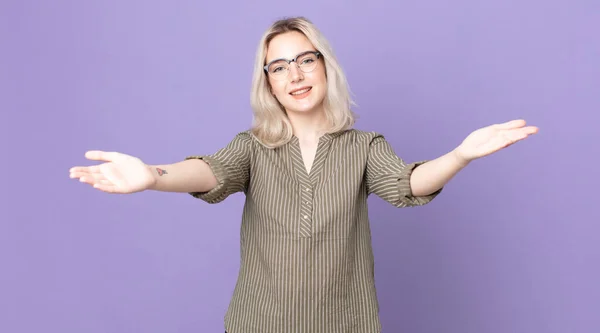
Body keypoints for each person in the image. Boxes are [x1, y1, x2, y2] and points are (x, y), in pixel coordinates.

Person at [69, 16, 538, 333]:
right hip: (260, 323)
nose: (294, 74)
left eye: (305, 59)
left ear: (324, 67)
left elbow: (406, 185)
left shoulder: (364, 146)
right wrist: (153, 174)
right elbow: (210, 172)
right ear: (268, 84)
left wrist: (460, 155)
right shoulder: (252, 147)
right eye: (279, 66)